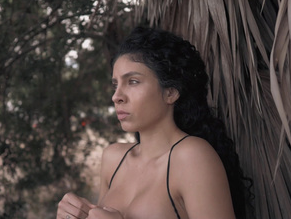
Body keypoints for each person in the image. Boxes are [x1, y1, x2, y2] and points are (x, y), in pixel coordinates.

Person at [56, 27, 252, 219]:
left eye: (133, 81)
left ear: (170, 92)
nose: (117, 96)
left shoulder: (192, 157)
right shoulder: (112, 159)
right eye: (116, 85)